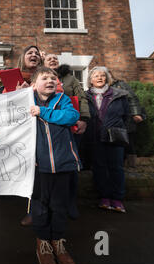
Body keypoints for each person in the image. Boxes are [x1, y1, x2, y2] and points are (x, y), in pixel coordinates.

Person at [29, 66, 80, 264]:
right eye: (44, 78)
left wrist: (43, 112)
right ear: (34, 84)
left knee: (59, 206)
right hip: (38, 166)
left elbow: (71, 117)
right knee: (40, 206)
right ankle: (42, 242)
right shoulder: (26, 100)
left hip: (63, 163)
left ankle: (57, 241)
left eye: (53, 78)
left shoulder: (63, 100)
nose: (50, 81)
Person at [84, 66, 129, 213]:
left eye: (102, 75)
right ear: (90, 80)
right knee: (99, 168)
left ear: (107, 78)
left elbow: (126, 117)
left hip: (114, 136)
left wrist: (119, 128)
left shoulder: (119, 94)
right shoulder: (84, 96)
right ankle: (104, 197)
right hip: (94, 137)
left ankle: (117, 199)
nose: (99, 78)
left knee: (116, 168)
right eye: (95, 75)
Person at [51, 61, 90, 220]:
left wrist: (84, 118)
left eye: (55, 58)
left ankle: (70, 203)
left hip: (69, 126)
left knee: (70, 165)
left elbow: (81, 97)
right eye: (49, 58)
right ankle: (50, 204)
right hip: (46, 127)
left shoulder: (70, 79)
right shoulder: (39, 77)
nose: (52, 60)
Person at [15, 45, 42, 226]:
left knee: (40, 172)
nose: (33, 55)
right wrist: (18, 93)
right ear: (23, 58)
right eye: (29, 53)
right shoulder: (14, 77)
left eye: (36, 53)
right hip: (21, 132)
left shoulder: (46, 77)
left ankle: (35, 212)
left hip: (42, 129)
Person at [108, 70, 145, 167]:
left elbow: (132, 98)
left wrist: (136, 113)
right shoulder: (104, 88)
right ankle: (121, 163)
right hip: (114, 120)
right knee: (117, 142)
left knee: (129, 141)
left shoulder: (121, 85)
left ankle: (132, 164)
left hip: (127, 118)